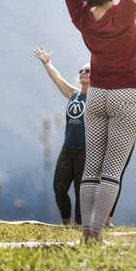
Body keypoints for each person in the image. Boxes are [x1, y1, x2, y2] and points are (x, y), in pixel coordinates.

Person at [60, 0, 136, 242]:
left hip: (96, 96)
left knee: (92, 167)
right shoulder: (124, 14)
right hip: (128, 97)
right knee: (111, 169)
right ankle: (96, 232)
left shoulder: (81, 16)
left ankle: (86, 232)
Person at [34, 46, 88, 226]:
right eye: (82, 71)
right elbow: (57, 78)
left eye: (88, 71)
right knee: (59, 188)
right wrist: (47, 62)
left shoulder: (97, 98)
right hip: (68, 149)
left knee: (82, 191)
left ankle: (81, 227)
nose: (84, 73)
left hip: (86, 151)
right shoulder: (73, 94)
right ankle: (66, 224)